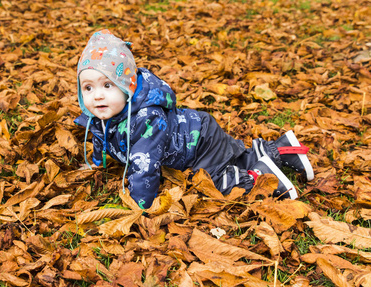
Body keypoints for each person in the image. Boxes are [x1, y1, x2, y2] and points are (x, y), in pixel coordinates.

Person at [74, 29, 314, 209]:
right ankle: (283, 149)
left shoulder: (145, 120)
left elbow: (145, 168)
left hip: (198, 143)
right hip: (199, 130)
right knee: (236, 159)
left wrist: (140, 206)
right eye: (88, 88)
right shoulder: (102, 113)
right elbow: (101, 137)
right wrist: (97, 163)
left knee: (212, 182)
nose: (97, 96)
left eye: (107, 85)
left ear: (127, 86)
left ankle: (263, 180)